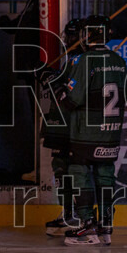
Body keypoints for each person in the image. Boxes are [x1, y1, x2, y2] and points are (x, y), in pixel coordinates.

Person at [54, 15, 126, 246]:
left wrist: (58, 87)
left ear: (88, 35)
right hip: (111, 132)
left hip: (86, 131)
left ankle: (87, 227)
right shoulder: (119, 60)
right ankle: (106, 228)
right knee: (105, 175)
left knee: (78, 171)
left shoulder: (85, 60)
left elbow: (72, 99)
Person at [39, 18, 82, 235]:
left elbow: (72, 94)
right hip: (61, 124)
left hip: (76, 126)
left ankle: (83, 217)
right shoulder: (72, 60)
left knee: (76, 171)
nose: (69, 40)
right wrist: (51, 75)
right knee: (61, 168)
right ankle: (68, 213)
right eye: (69, 35)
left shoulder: (85, 60)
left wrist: (54, 80)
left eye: (74, 35)